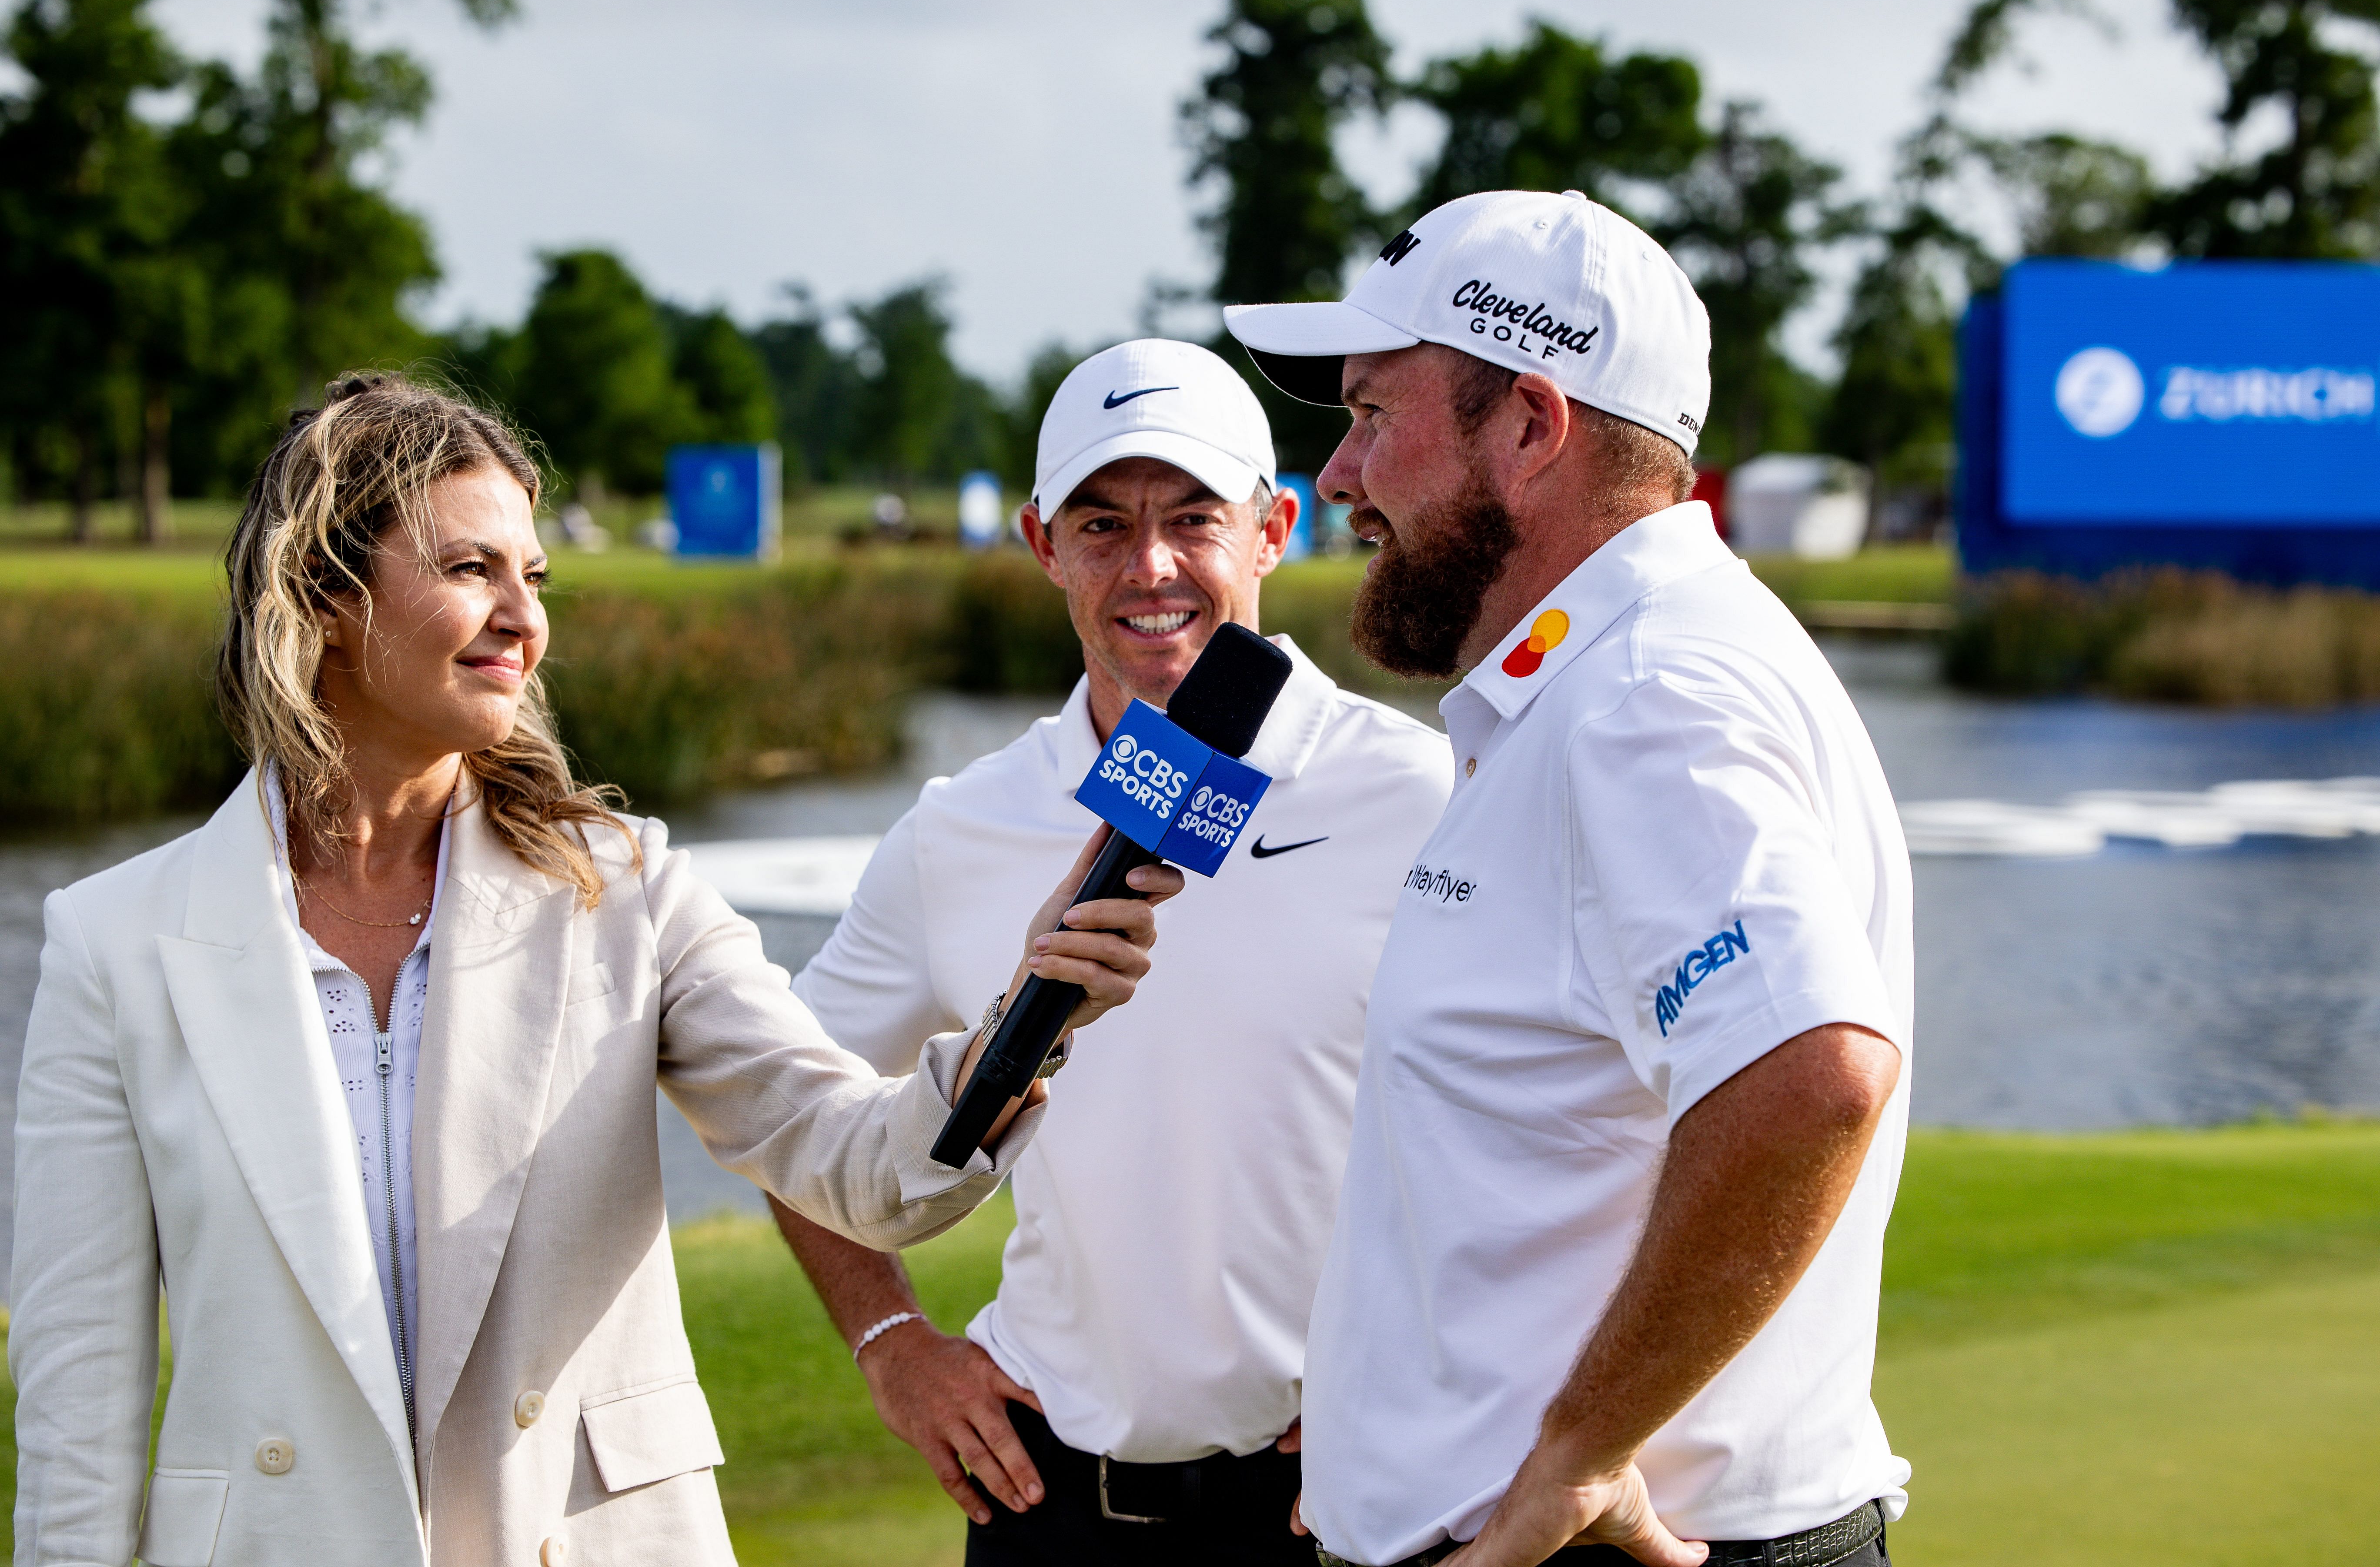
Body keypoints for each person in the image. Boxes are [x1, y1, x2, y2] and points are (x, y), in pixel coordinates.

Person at [9, 375, 1182, 1567]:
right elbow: (78, 1404)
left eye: (536, 577)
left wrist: (1024, 1025)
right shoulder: (116, 944)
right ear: (323, 595)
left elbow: (856, 1167)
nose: (526, 617)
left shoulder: (626, 893)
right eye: (472, 570)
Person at [1224, 190, 1914, 1567]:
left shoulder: (1647, 698)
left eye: (1372, 415)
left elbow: (1810, 1078)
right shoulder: (1611, 673)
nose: (1339, 478)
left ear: (1530, 428)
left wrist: (1581, 1452)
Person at [766, 337, 1452, 1566]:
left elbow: (1572, 1119)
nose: (1151, 569)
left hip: (1342, 1500)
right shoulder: (963, 825)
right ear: (1042, 544)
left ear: (1275, 528)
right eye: (1101, 524)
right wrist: (893, 1345)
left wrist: (1459, 1369)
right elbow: (783, 1105)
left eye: (1194, 518)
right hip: (1055, 1510)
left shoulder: (1420, 790)